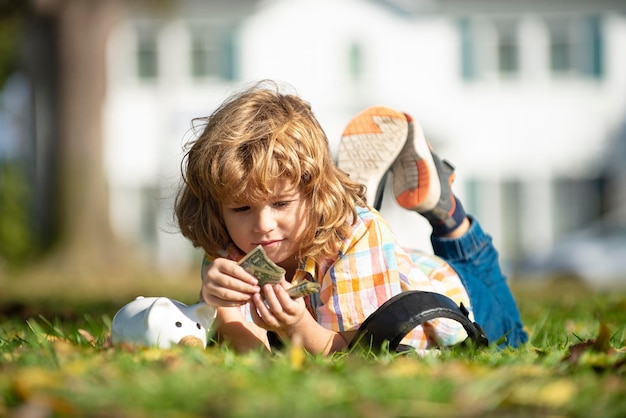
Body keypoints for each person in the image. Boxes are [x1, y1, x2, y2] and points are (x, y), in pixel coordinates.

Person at [175, 80, 528, 355]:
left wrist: (297, 325)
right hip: (377, 269)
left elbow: (357, 353)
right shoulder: (230, 247)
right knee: (363, 245)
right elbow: (255, 356)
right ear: (218, 206)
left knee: (512, 329)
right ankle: (360, 194)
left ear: (313, 193)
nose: (262, 226)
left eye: (281, 204)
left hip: (456, 299)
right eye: (241, 208)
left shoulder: (354, 236)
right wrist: (220, 309)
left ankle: (446, 211)